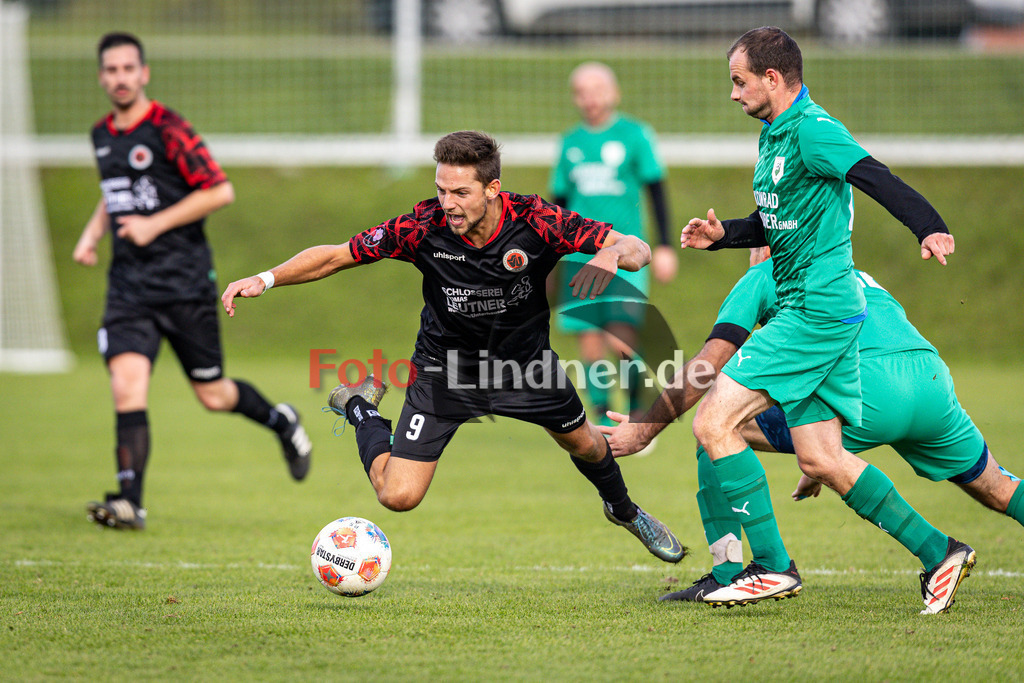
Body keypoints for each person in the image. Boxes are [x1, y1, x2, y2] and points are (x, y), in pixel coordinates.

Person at [221, 130, 685, 563]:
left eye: (460, 192)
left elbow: (637, 248)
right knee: (397, 496)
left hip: (526, 368)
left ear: (492, 189)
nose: (448, 204)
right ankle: (360, 408)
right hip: (444, 372)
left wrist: (609, 253)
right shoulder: (421, 226)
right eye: (442, 190)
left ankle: (626, 512)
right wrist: (266, 278)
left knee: (586, 445)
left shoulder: (537, 220)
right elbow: (337, 255)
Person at [676, 26, 971, 613]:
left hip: (813, 313)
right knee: (820, 458)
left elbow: (875, 176)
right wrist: (723, 234)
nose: (733, 93)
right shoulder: (776, 136)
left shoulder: (813, 130)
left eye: (739, 81)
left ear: (772, 78)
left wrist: (929, 227)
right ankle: (940, 551)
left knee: (712, 422)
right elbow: (776, 222)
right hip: (818, 312)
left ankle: (771, 567)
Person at [606, 248, 1019, 612]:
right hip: (930, 380)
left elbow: (710, 363)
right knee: (998, 488)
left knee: (721, 424)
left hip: (869, 389)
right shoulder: (850, 273)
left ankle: (732, 572)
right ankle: (937, 551)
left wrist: (646, 427)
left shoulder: (769, 272)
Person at [73, 32, 312, 531]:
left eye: (128, 68)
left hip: (184, 286)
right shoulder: (101, 134)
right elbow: (115, 192)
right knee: (127, 385)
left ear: (144, 73)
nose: (120, 78)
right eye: (111, 70)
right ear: (101, 77)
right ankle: (130, 503)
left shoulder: (168, 128)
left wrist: (153, 225)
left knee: (213, 395)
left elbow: (219, 190)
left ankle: (282, 421)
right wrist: (92, 234)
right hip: (129, 289)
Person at [549, 62, 677, 429]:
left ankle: (636, 414)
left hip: (625, 255)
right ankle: (601, 419)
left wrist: (664, 246)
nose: (590, 99)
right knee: (589, 341)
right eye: (582, 92)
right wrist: (549, 258)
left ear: (614, 93)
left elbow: (656, 190)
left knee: (622, 337)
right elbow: (557, 205)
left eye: (598, 90)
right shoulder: (570, 142)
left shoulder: (634, 135)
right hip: (579, 256)